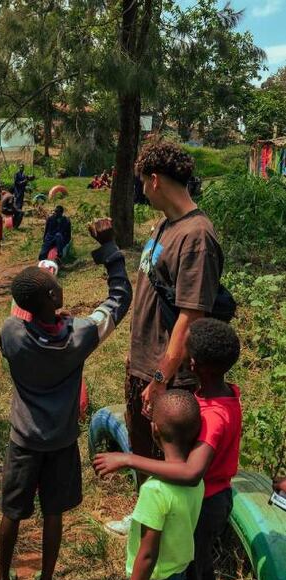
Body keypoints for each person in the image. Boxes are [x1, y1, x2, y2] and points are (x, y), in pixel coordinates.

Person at [0, 218, 131, 580]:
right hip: (61, 441)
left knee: (11, 513)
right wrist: (109, 248)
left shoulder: (11, 333)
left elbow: (26, 325)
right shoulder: (79, 336)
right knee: (53, 514)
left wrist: (51, 314)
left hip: (23, 442)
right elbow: (120, 298)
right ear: (55, 296)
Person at [93, 318, 242, 580]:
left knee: (188, 579)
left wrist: (129, 459)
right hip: (204, 498)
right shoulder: (219, 393)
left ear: (196, 365)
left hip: (206, 502)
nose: (186, 360)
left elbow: (190, 472)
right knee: (194, 567)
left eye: (189, 356)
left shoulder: (216, 416)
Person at [109, 140, 226, 536]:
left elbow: (191, 317)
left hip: (170, 375)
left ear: (155, 180)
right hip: (145, 362)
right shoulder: (164, 225)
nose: (141, 189)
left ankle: (171, 536)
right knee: (142, 446)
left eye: (143, 181)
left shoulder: (197, 237)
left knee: (167, 456)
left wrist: (161, 378)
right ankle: (146, 517)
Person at [115, 391, 204, 580]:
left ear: (154, 430)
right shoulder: (195, 482)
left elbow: (147, 555)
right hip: (176, 577)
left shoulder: (154, 490)